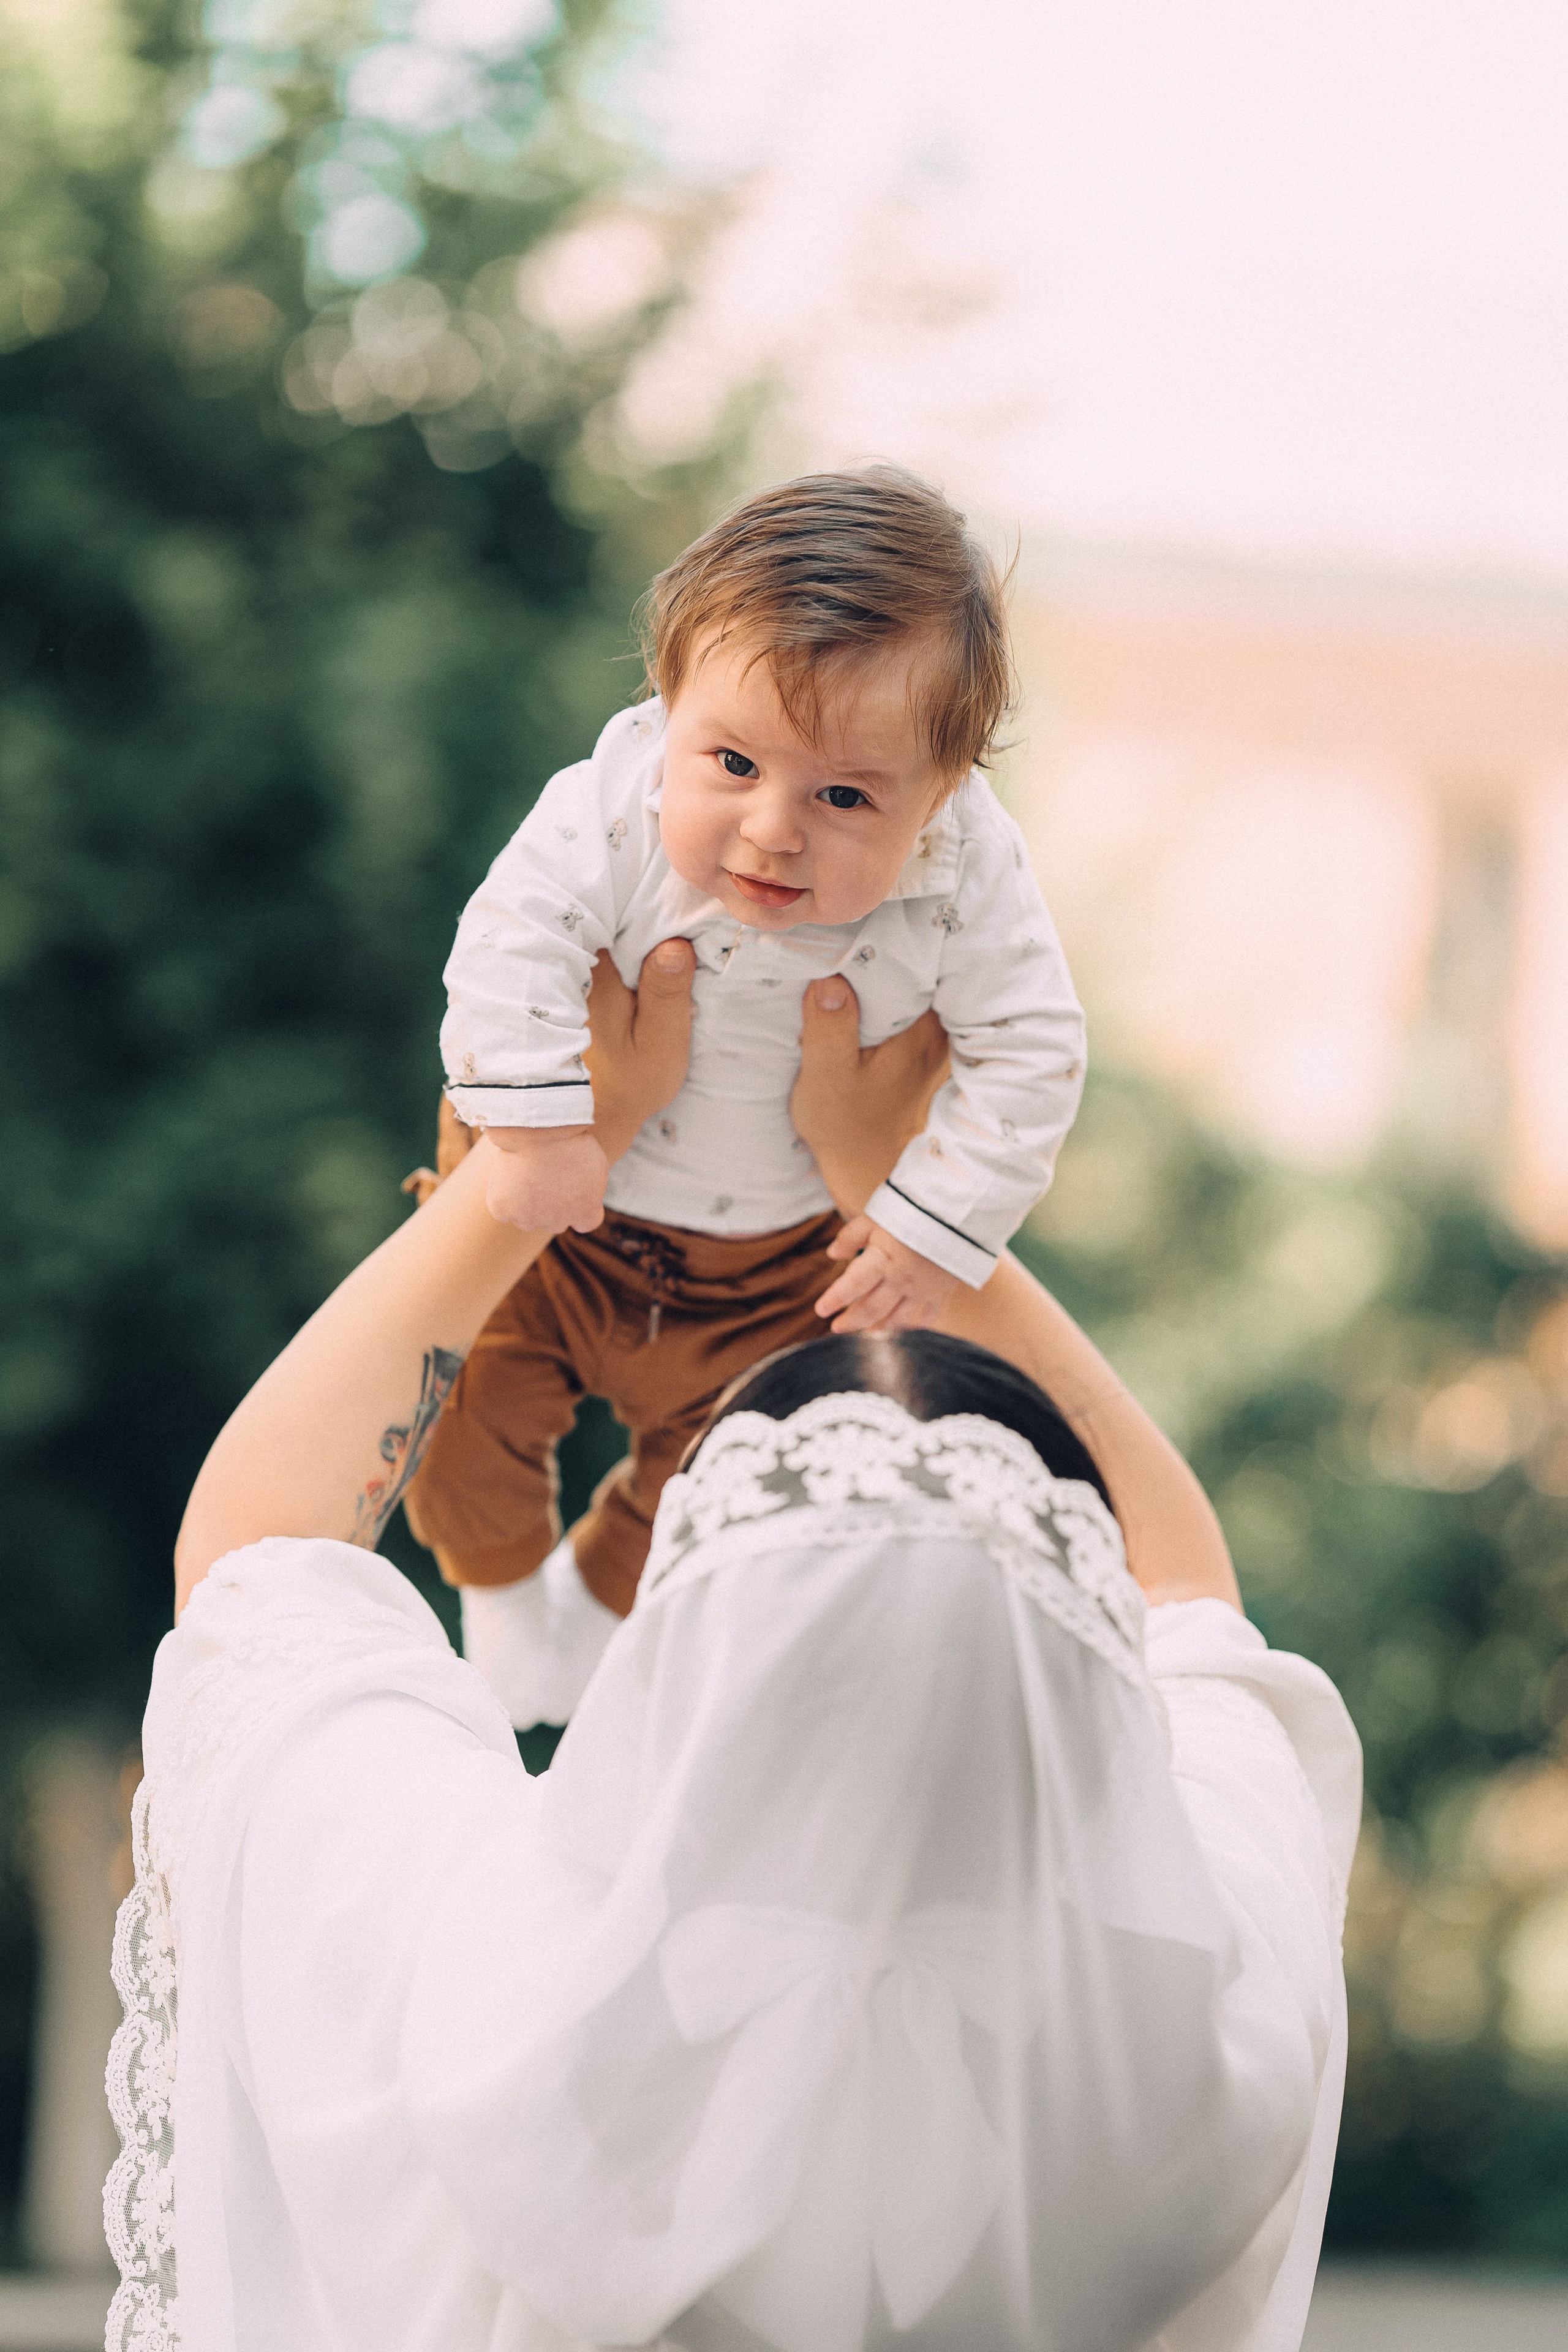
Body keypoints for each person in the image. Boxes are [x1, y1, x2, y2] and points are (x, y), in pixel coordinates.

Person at [105, 948, 1360, 2352]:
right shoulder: (1216, 2039)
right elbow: (1186, 1590)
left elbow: (255, 1560)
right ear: (1077, 1672)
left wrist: (533, 1169)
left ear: (686, 1650)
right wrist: (920, 1203)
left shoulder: (470, 2022)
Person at [407, 469, 1088, 1724]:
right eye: (729, 761)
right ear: (667, 708)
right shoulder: (611, 802)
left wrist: (930, 1227)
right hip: (567, 1206)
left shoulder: (969, 877)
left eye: (843, 797)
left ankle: (598, 1621)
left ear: (938, 799)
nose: (772, 830)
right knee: (457, 1417)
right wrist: (539, 1126)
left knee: (724, 1469)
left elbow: (1033, 1050)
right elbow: (508, 942)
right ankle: (504, 1609)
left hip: (776, 1253)